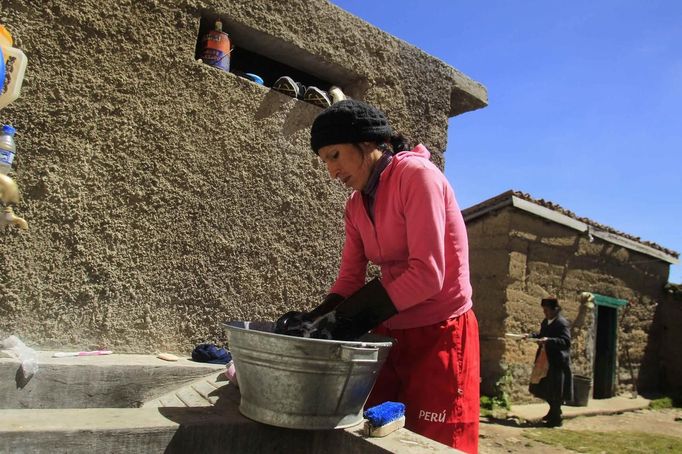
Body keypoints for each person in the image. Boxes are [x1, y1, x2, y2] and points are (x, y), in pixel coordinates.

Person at [275, 99, 480, 452]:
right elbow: (349, 281)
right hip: (390, 332)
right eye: (324, 161)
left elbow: (428, 274)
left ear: (367, 143)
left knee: (434, 442)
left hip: (440, 332)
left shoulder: (416, 177)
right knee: (376, 434)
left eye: (335, 155)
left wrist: (343, 323)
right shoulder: (355, 206)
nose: (331, 172)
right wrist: (316, 319)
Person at [525, 297, 573, 427]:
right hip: (545, 360)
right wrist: (530, 336)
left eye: (547, 310)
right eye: (544, 310)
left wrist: (549, 340)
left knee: (556, 391)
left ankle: (556, 418)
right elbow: (541, 335)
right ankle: (553, 412)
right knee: (544, 388)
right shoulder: (546, 322)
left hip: (557, 362)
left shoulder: (562, 323)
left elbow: (565, 342)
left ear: (555, 310)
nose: (545, 313)